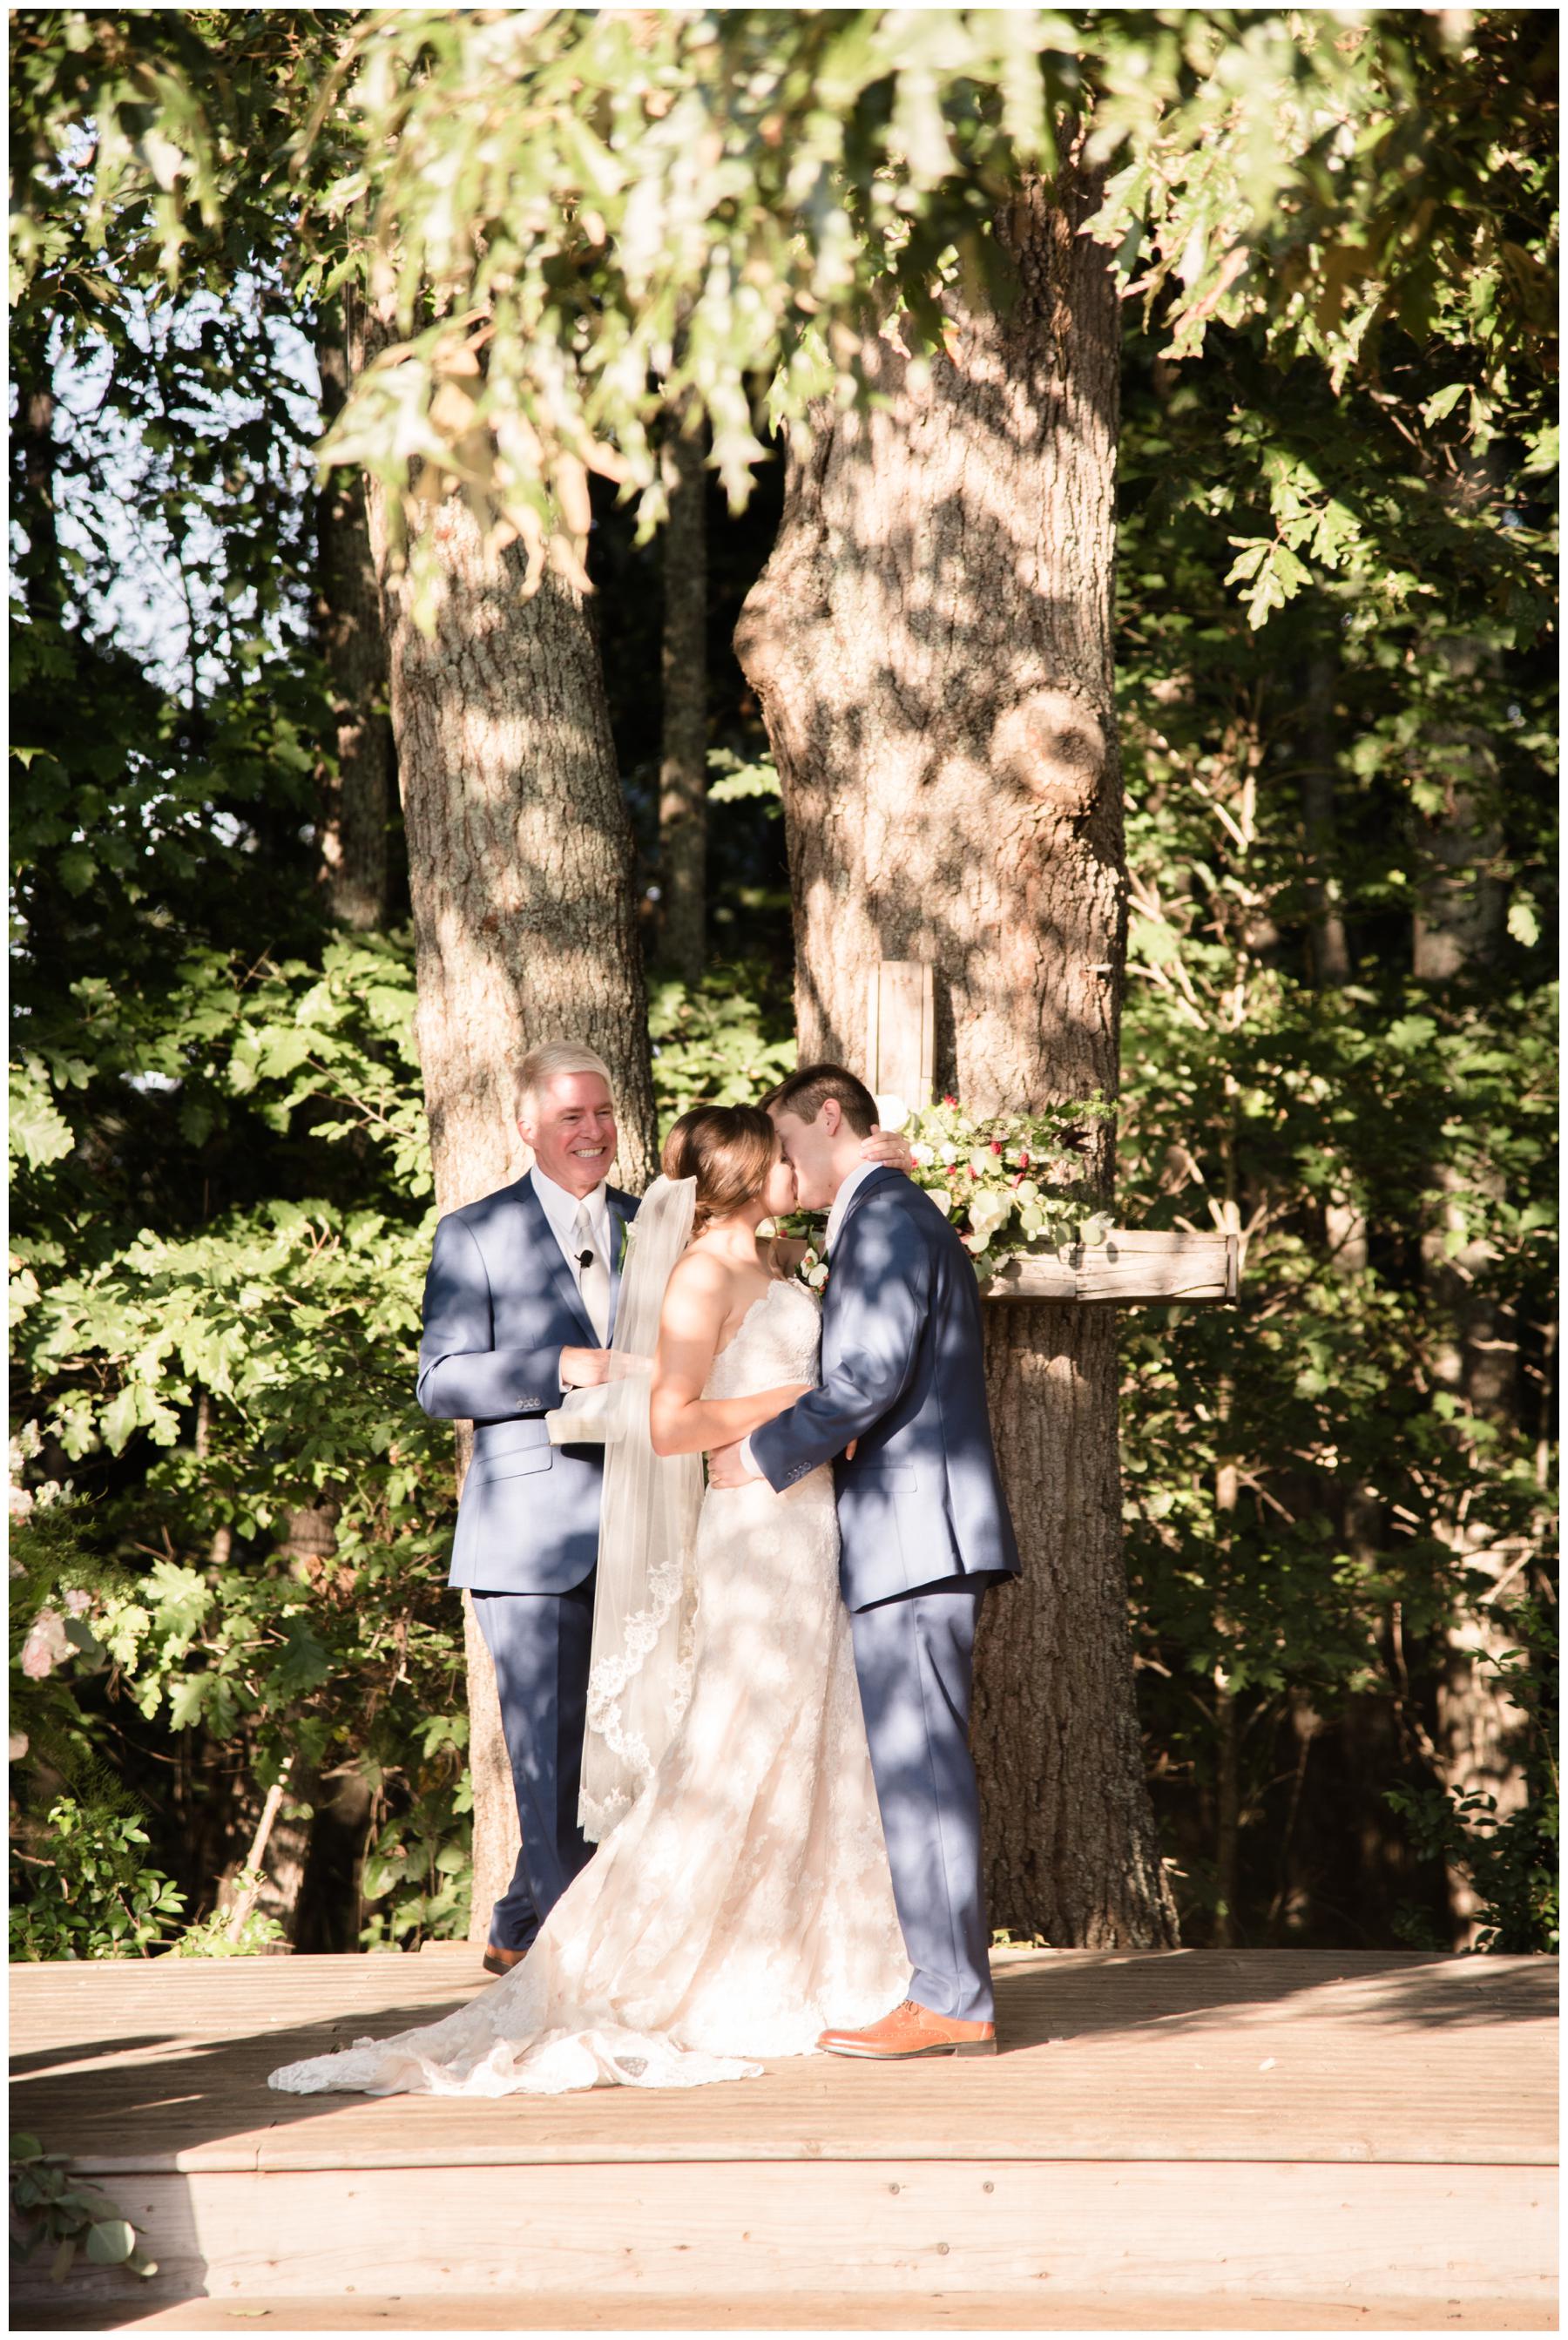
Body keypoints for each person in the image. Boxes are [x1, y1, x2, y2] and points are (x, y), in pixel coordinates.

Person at [269, 1106, 909, 2097]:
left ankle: (806, 1944)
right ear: (745, 1169)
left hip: (811, 1524)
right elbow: (672, 1421)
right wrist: (793, 1405)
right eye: (782, 1157)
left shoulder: (779, 1264)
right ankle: (631, 1951)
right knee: (734, 1744)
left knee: (811, 1743)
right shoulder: (701, 1273)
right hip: (754, 1534)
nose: (797, 1168)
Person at [411, 1046, 908, 1978]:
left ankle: (533, 1921)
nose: (593, 1129)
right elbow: (439, 1382)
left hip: (666, 1527)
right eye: (570, 1117)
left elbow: (769, 1262)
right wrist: (569, 1362)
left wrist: (879, 1175)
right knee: (553, 1759)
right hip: (535, 1538)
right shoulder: (474, 1232)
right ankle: (571, 1966)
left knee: (644, 1749)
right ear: (527, 1126)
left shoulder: (664, 1222)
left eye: (602, 1112)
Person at [709, 1063, 1019, 2061]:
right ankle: (944, 1984)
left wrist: (759, 1456)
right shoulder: (885, 1209)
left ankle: (952, 1996)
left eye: (791, 1144)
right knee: (916, 1765)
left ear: (828, 1115)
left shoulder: (886, 1216)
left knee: (923, 1770)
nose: (786, 1168)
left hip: (915, 1534)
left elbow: (868, 1374)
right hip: (914, 1532)